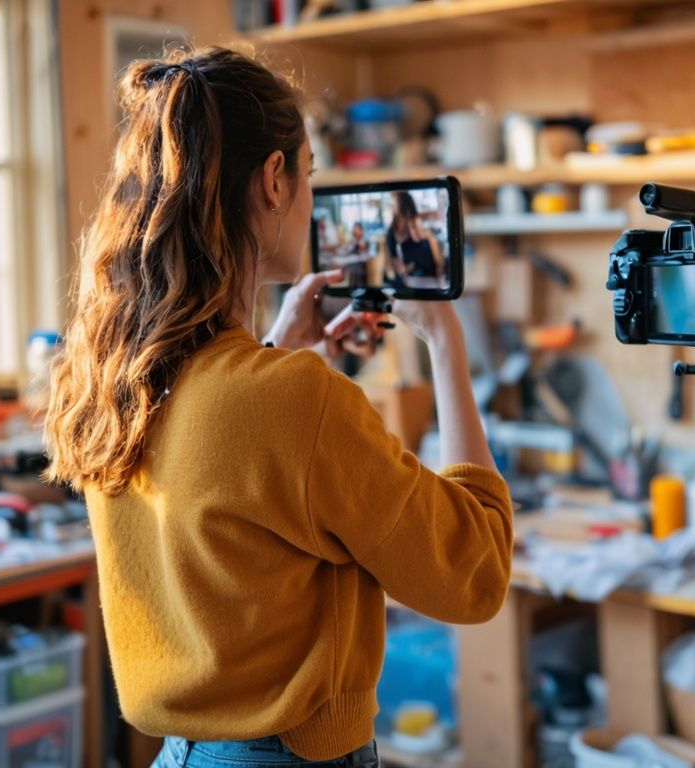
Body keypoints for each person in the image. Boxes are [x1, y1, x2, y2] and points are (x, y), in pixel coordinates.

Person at [44, 47, 512, 768]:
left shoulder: (116, 372)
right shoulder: (295, 397)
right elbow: (474, 573)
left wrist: (269, 350)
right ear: (273, 180)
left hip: (180, 756)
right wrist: (444, 343)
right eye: (310, 177)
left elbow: (221, 498)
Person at [386, 191, 445, 285]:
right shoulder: (392, 232)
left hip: (425, 272)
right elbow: (397, 265)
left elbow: (421, 236)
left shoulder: (416, 220)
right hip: (410, 273)